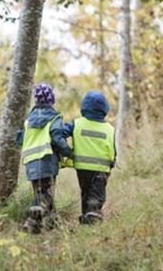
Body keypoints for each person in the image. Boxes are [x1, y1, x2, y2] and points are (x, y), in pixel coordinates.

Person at [17, 83, 73, 234]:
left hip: (30, 164)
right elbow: (57, 138)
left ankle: (50, 225)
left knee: (41, 193)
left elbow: (20, 140)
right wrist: (69, 152)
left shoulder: (28, 121)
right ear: (51, 100)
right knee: (45, 196)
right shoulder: (54, 118)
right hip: (47, 162)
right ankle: (30, 222)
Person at [64, 91, 116, 225]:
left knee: (86, 191)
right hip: (101, 167)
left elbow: (62, 131)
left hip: (82, 167)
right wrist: (112, 162)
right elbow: (111, 148)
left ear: (84, 107)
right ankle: (93, 211)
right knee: (97, 193)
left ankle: (86, 216)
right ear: (104, 109)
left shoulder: (77, 124)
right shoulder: (109, 128)